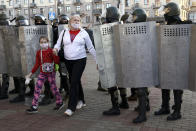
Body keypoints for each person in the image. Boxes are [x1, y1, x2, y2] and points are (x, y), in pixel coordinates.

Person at [53, 14, 96, 116]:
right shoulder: (64, 32)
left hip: (80, 60)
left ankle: (71, 107)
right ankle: (81, 100)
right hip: (68, 61)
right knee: (75, 81)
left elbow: (90, 48)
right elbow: (58, 44)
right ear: (70, 21)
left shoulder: (83, 33)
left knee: (73, 82)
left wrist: (98, 62)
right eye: (74, 20)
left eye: (78, 20)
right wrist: (55, 49)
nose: (76, 21)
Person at [154, 2, 185, 121]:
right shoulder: (168, 24)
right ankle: (165, 107)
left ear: (171, 12)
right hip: (167, 60)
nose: (164, 14)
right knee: (165, 85)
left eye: (166, 11)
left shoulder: (180, 25)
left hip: (177, 61)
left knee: (177, 87)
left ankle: (177, 111)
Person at [102, 7, 129, 116]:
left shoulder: (106, 28)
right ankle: (125, 101)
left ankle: (115, 107)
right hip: (122, 59)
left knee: (111, 83)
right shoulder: (123, 26)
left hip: (111, 58)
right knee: (121, 81)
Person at [26, 36, 63, 113]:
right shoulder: (39, 52)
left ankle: (59, 102)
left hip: (51, 73)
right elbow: (37, 64)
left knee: (54, 88)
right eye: (41, 42)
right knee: (37, 88)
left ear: (48, 42)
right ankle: (34, 106)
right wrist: (30, 74)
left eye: (45, 42)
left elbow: (56, 61)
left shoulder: (51, 51)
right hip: (42, 73)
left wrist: (55, 54)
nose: (43, 44)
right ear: (39, 43)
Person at [33, 14, 54, 105]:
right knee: (44, 79)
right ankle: (50, 95)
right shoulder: (33, 30)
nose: (38, 23)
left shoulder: (47, 29)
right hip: (40, 55)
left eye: (39, 21)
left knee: (49, 80)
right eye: (36, 21)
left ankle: (49, 96)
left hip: (49, 55)